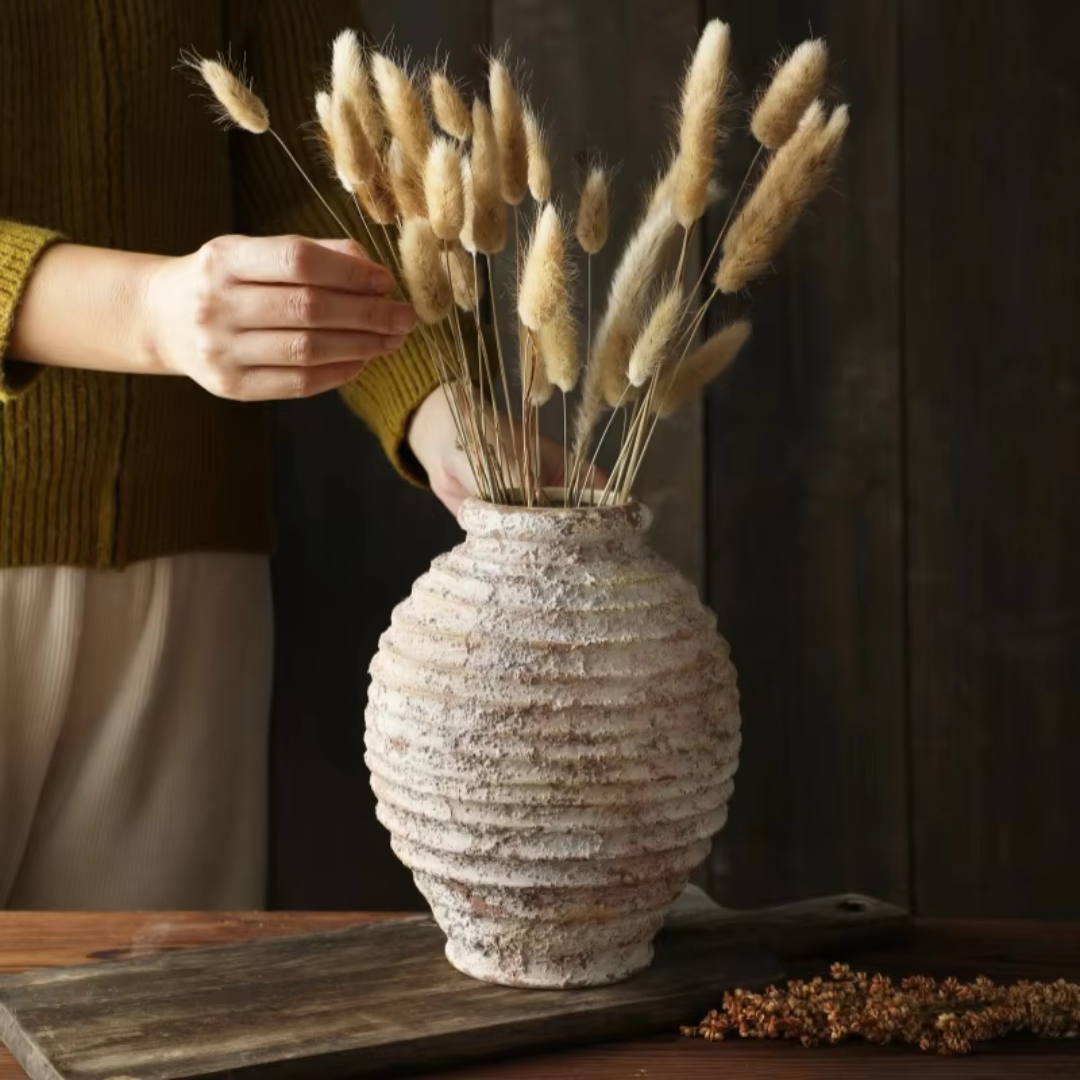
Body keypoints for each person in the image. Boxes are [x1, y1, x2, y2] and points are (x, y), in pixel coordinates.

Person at [0, 0, 559, 910]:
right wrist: (144, 310)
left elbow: (315, 149)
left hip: (194, 568)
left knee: (168, 1031)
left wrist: (441, 399)